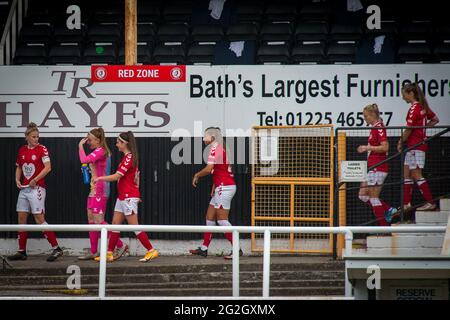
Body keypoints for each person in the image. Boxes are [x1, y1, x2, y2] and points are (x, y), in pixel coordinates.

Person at [94, 131, 158, 262]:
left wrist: (99, 178)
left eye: (118, 142)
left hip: (128, 197)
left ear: (125, 143)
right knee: (115, 224)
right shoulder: (128, 158)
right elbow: (136, 177)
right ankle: (109, 253)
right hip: (123, 196)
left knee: (134, 226)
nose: (116, 144)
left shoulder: (129, 158)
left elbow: (117, 176)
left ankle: (151, 250)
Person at [8, 123, 63, 262]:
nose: (36, 139)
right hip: (24, 189)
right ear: (26, 137)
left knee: (39, 218)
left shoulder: (42, 149)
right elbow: (19, 167)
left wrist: (36, 179)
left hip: (37, 188)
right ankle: (21, 251)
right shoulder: (21, 150)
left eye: (37, 136)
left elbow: (48, 167)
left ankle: (56, 248)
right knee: (21, 218)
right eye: (33, 137)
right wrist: (16, 179)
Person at [190, 127, 242, 260]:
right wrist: (215, 185)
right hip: (222, 186)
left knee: (222, 220)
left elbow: (209, 169)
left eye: (205, 136)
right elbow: (220, 170)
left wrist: (196, 175)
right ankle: (204, 248)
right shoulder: (220, 148)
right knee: (210, 216)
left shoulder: (215, 148)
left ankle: (237, 249)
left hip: (224, 187)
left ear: (212, 137)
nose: (203, 139)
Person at [77, 128, 128, 261]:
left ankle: (120, 245)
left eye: (90, 140)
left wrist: (80, 146)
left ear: (98, 140)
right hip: (93, 189)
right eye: (87, 140)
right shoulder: (97, 151)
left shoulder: (101, 151)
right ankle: (94, 251)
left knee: (99, 220)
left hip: (100, 190)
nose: (88, 142)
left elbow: (84, 158)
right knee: (91, 219)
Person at [398, 83, 440, 211]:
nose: (403, 97)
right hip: (414, 146)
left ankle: (430, 202)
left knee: (416, 174)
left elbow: (409, 128)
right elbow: (435, 119)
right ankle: (406, 204)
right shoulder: (423, 106)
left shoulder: (415, 108)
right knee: (406, 174)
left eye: (404, 94)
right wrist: (424, 130)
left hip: (416, 146)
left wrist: (400, 141)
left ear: (410, 93)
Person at [357, 104, 397, 225]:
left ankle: (384, 228)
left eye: (366, 116)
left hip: (378, 166)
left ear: (372, 115)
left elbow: (385, 147)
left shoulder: (379, 127)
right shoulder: (375, 127)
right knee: (362, 195)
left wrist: (367, 147)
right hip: (373, 167)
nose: (364, 118)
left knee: (374, 198)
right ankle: (389, 209)